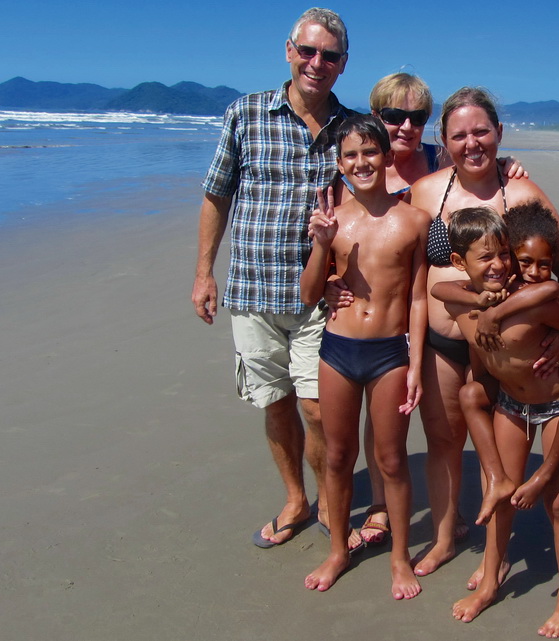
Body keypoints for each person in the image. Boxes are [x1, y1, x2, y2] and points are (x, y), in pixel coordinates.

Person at [191, 7, 362, 552]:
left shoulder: (352, 129)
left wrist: (503, 169)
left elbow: (399, 172)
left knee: (317, 407)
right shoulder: (245, 115)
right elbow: (217, 194)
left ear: (343, 64)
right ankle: (296, 498)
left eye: (329, 56)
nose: (317, 63)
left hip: (322, 296)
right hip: (253, 290)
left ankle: (330, 497)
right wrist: (203, 274)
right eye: (308, 51)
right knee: (275, 401)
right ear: (289, 51)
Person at [330, 72, 526, 546]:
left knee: (415, 433)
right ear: (376, 120)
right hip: (377, 331)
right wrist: (328, 287)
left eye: (416, 117)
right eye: (393, 116)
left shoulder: (440, 164)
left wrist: (507, 164)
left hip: (450, 333)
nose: (404, 126)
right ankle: (382, 508)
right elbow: (335, 247)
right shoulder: (357, 175)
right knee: (380, 432)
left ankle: (467, 531)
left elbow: (476, 152)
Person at [404, 87, 559, 579]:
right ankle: (445, 538)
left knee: (501, 446)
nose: (472, 142)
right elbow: (405, 259)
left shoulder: (520, 190)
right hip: (444, 342)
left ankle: (496, 555)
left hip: (507, 350)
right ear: (444, 141)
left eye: (482, 130)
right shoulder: (427, 191)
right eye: (459, 134)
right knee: (444, 440)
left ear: (499, 134)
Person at [440, 206, 559, 635]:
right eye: (491, 257)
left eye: (502, 256)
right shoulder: (472, 296)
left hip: (553, 406)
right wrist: (483, 304)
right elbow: (443, 290)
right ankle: (491, 580)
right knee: (501, 498)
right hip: (511, 407)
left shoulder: (533, 302)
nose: (501, 266)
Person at [300, 114, 429, 599]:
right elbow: (310, 293)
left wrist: (416, 362)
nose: (361, 163)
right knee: (337, 455)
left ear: (386, 155)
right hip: (337, 350)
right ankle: (338, 549)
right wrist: (320, 245)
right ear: (339, 163)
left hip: (390, 354)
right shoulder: (333, 219)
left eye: (370, 152)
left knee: (391, 458)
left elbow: (418, 297)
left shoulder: (414, 220)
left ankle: (399, 557)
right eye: (350, 155)